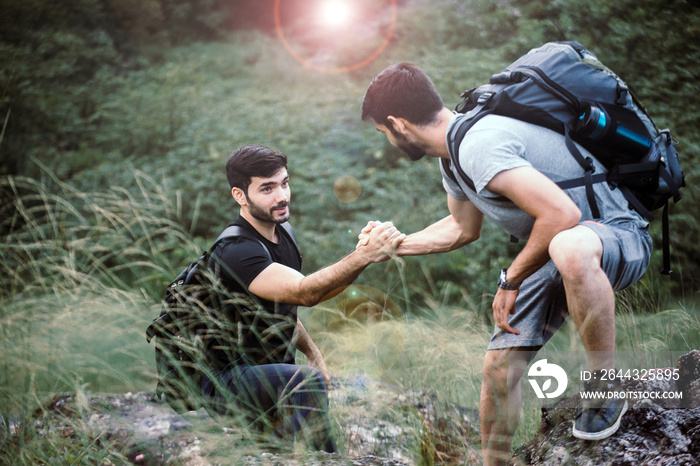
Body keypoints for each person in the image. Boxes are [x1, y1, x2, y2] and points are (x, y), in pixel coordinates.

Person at [360, 62, 651, 464]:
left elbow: (561, 215)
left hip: (616, 233)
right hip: (560, 248)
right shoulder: (453, 154)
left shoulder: (480, 143)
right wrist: (392, 246)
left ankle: (605, 386)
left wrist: (510, 279)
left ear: (398, 124)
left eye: (383, 133)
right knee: (498, 369)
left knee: (568, 246)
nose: (389, 141)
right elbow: (462, 228)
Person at [201, 144, 404, 452]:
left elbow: (294, 300)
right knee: (306, 383)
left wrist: (313, 352)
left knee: (274, 446)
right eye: (267, 188)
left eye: (284, 183)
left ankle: (279, 452)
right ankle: (327, 460)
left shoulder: (283, 233)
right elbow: (306, 293)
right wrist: (364, 255)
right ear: (240, 196)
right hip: (223, 378)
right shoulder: (237, 250)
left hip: (264, 369)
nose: (281, 196)